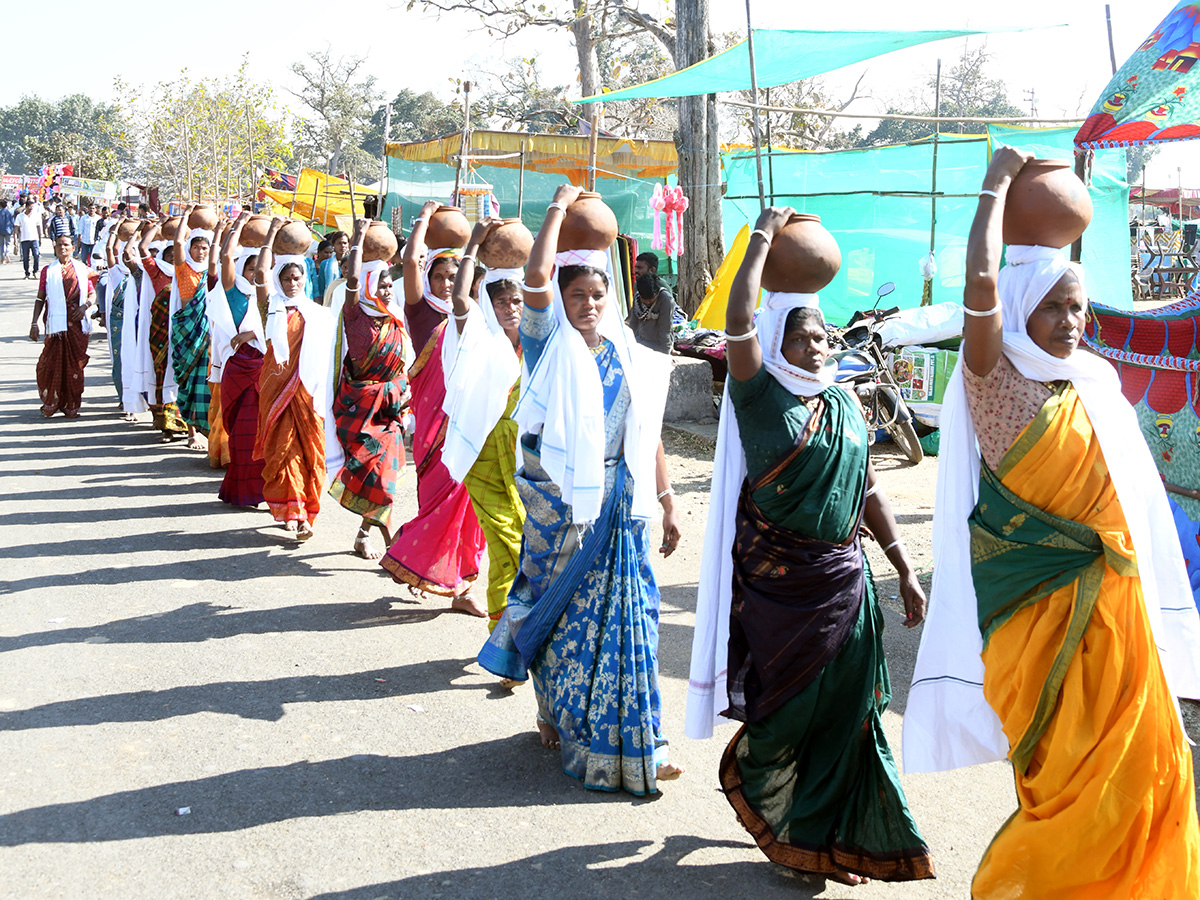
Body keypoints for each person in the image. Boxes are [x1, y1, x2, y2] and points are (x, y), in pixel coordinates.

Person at [904, 147, 1200, 898]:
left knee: (1143, 768)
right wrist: (995, 187)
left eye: (1077, 306)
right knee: (1066, 779)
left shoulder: (1092, 384)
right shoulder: (991, 375)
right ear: (1016, 308)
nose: (1071, 321)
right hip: (1034, 619)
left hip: (1116, 612)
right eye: (1053, 307)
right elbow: (978, 286)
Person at [687, 206, 933, 886]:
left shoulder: (846, 404)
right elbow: (737, 323)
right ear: (776, 342)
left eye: (827, 337)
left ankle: (822, 838)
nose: (822, 347)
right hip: (780, 588)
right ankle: (769, 795)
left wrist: (904, 568)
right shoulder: (762, 398)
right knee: (790, 712)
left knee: (848, 714)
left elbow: (870, 490)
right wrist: (762, 238)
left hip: (845, 584)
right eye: (806, 338)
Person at [477, 184, 682, 795]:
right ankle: (554, 711)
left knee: (634, 622)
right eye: (577, 295)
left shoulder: (624, 350)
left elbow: (644, 433)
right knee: (561, 620)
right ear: (559, 299)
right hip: (557, 507)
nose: (588, 305)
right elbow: (537, 273)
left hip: (621, 507)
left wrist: (668, 500)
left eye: (598, 294)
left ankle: (646, 739)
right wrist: (558, 211)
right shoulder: (546, 346)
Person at [379, 200, 486, 613]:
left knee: (469, 502)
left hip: (469, 420)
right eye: (439, 276)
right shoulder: (419, 310)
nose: (446, 284)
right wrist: (423, 220)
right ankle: (420, 558)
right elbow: (409, 260)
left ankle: (461, 585)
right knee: (437, 497)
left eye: (453, 277)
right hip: (431, 424)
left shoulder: (474, 314)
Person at [442, 219, 526, 637]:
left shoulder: (537, 344)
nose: (512, 308)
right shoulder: (477, 334)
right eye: (503, 302)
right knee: (506, 542)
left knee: (525, 545)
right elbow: (460, 296)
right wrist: (474, 243)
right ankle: (504, 632)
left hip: (526, 463)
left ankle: (517, 629)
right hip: (482, 457)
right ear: (487, 304)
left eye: (517, 301)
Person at [328, 219, 411, 559]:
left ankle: (369, 536)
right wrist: (359, 238)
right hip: (360, 409)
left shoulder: (396, 320)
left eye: (390, 284)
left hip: (389, 411)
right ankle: (393, 547)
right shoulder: (355, 315)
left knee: (383, 479)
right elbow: (351, 281)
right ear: (365, 287)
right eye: (380, 284)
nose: (387, 290)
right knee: (376, 480)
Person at [253, 217, 339, 540]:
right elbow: (261, 273)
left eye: (297, 277)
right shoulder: (270, 309)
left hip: (309, 394)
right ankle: (293, 512)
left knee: (311, 452)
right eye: (286, 278)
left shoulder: (315, 313)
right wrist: (272, 232)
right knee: (284, 451)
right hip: (276, 391)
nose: (292, 283)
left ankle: (308, 514)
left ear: (305, 278)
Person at [210, 214, 266, 508]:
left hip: (265, 372)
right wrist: (238, 224)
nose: (256, 273)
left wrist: (251, 333)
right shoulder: (233, 293)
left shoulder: (271, 296)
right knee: (241, 436)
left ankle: (264, 492)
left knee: (264, 435)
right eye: (251, 268)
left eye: (261, 268)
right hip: (238, 370)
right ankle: (241, 492)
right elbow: (226, 256)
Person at [29, 234, 96, 417]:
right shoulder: (47, 271)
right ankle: (52, 402)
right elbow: (40, 297)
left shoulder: (82, 270)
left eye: (66, 245)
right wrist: (34, 322)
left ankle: (71, 406)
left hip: (76, 324)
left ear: (73, 248)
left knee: (75, 365)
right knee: (49, 364)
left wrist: (85, 307)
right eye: (59, 245)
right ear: (55, 248)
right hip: (55, 325)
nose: (63, 248)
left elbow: (92, 294)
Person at [169, 206, 218, 451]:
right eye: (196, 247)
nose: (200, 252)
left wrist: (220, 228)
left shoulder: (213, 273)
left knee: (206, 381)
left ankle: (210, 431)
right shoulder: (183, 268)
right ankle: (191, 433)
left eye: (205, 248)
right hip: (188, 332)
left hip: (209, 333)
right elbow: (177, 241)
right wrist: (187, 215)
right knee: (188, 380)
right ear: (190, 249)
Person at [135, 222, 188, 441]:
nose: (173, 260)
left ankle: (182, 422)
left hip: (182, 334)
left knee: (181, 376)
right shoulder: (157, 272)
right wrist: (157, 224)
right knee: (161, 375)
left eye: (176, 256)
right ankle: (164, 422)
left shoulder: (186, 274)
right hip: (160, 334)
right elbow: (142, 248)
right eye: (169, 256)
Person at [627, 270, 675, 354]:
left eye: (651, 299)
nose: (648, 302)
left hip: (658, 345)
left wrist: (666, 354)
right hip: (640, 341)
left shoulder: (665, 299)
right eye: (645, 300)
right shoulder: (637, 298)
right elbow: (633, 324)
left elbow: (665, 329)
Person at [15, 200, 42, 279]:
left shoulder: (36, 215)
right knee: (26, 257)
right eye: (30, 207)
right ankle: (27, 273)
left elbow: (39, 227)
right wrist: (15, 239)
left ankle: (35, 271)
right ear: (26, 207)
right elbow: (16, 228)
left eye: (32, 207)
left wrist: (40, 237)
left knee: (36, 255)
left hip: (34, 239)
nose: (31, 209)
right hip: (24, 239)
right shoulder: (20, 216)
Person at [0, 199, 14, 264]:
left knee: (1, 245)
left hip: (0, 230)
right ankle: (7, 253)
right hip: (8, 230)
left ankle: (2, 258)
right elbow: (12, 222)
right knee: (8, 243)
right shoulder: (9, 212)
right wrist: (12, 230)